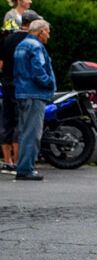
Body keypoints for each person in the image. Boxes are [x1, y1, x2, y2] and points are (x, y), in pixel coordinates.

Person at [12, 19, 55, 181]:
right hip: (35, 94)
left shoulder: (21, 45)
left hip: (22, 93)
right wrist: (49, 82)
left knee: (24, 132)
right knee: (33, 133)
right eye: (48, 32)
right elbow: (39, 71)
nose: (48, 36)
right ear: (41, 31)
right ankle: (26, 169)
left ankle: (23, 167)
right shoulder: (36, 46)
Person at [0, 10, 40, 172]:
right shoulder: (30, 40)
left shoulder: (8, 39)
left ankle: (7, 161)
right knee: (19, 122)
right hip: (21, 86)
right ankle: (17, 161)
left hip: (6, 84)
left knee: (6, 121)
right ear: (31, 24)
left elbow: (1, 65)